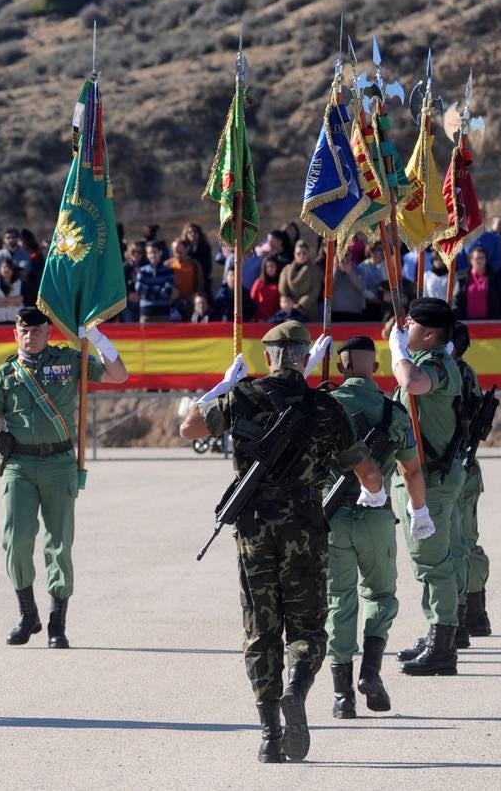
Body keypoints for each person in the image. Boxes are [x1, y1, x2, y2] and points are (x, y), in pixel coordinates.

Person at [180, 321, 379, 763]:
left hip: (253, 528)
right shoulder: (324, 407)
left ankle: (270, 734)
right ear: (307, 356)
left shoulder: (242, 398)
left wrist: (222, 387)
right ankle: (297, 686)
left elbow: (189, 429)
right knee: (307, 625)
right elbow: (365, 469)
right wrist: (376, 489)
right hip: (306, 527)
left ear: (268, 357)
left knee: (260, 626)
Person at [0, 309, 129, 650]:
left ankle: (58, 622)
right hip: (19, 466)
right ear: (15, 334)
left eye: (37, 331)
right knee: (16, 540)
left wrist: (98, 340)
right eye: (23, 331)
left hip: (58, 462)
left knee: (59, 543)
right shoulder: (6, 374)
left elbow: (118, 375)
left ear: (48, 331)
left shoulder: (69, 361)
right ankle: (28, 614)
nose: (30, 337)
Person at [324, 336, 422, 720]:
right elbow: (411, 469)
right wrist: (420, 511)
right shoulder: (393, 412)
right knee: (380, 595)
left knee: (339, 601)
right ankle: (370, 671)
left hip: (332, 517)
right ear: (376, 370)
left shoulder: (326, 406)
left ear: (339, 369)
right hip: (377, 518)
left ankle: (342, 696)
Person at [389, 297, 466, 677]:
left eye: (412, 325)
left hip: (430, 478)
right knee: (431, 561)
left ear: (430, 333)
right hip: (425, 475)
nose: (405, 329)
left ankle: (443, 648)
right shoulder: (422, 359)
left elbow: (413, 384)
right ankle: (436, 633)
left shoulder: (436, 364)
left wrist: (396, 353)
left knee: (432, 563)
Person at [449, 323, 492, 644]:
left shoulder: (444, 374)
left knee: (454, 547)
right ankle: (476, 613)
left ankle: (461, 614)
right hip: (467, 466)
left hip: (452, 469)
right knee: (468, 541)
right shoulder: (467, 372)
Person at [454, 247, 501, 320]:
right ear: (471, 260)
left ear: (486, 260)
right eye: (477, 258)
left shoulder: (496, 279)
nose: (480, 260)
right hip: (467, 322)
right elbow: (456, 301)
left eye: (482, 258)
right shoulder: (461, 279)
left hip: (489, 323)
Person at [278, 240, 321, 322]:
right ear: (294, 254)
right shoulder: (287, 269)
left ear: (308, 253)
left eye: (304, 253)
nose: (301, 256)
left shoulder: (315, 270)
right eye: (298, 253)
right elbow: (283, 290)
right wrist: (290, 303)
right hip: (289, 308)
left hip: (308, 309)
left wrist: (300, 305)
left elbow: (315, 291)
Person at [135, 242, 176, 322]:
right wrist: (159, 289)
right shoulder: (142, 271)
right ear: (147, 255)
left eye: (155, 252)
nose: (153, 255)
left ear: (160, 253)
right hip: (146, 312)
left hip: (163, 312)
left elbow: (168, 291)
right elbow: (139, 289)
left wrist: (149, 290)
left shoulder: (168, 271)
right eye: (150, 253)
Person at [0, 258, 23, 324]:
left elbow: (22, 300)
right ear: (0, 269)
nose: (7, 269)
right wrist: (13, 300)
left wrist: (1, 300)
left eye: (9, 267)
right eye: (4, 267)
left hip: (16, 321)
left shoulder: (20, 283)